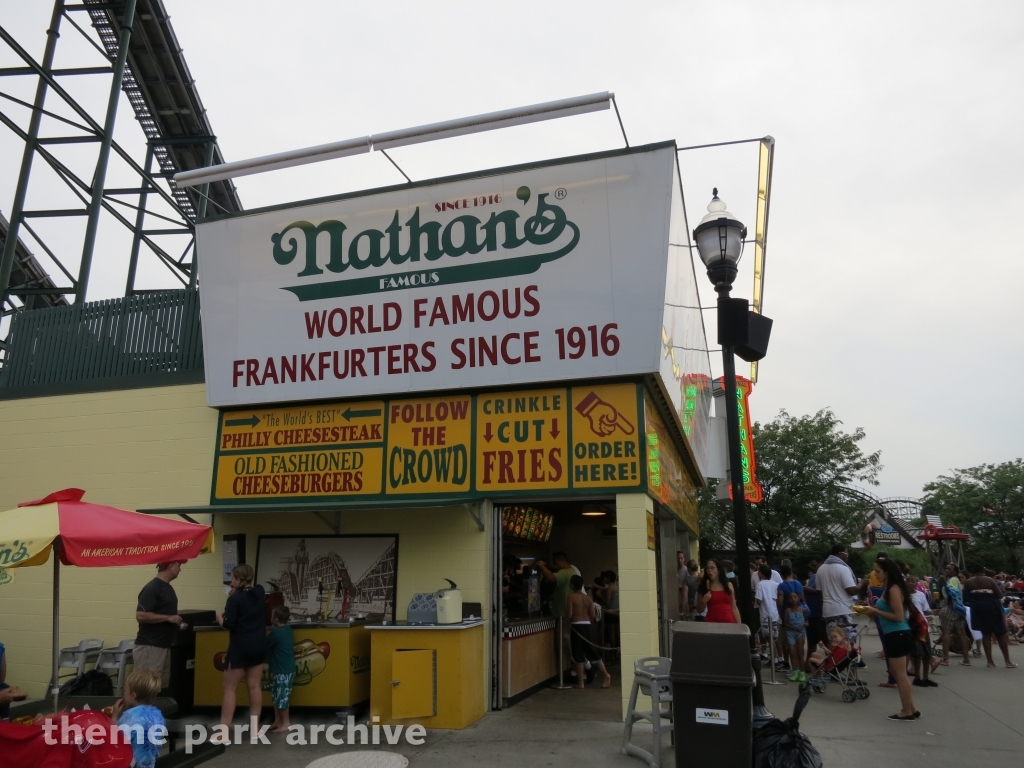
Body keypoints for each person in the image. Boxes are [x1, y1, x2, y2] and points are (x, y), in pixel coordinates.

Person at [863, 557, 918, 721]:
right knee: (896, 672)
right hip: (894, 633)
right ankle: (911, 708)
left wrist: (876, 612)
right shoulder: (890, 588)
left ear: (887, 571)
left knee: (900, 674)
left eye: (878, 571)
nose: (876, 574)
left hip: (897, 633)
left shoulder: (893, 589)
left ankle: (906, 711)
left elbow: (898, 616)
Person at [216, 563, 267, 732]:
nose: (231, 582)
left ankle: (223, 731)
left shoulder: (234, 599)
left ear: (238, 580)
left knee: (229, 689)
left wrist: (219, 618)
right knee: (254, 686)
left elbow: (229, 624)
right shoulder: (259, 592)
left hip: (240, 647)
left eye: (233, 578)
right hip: (258, 644)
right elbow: (251, 594)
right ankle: (255, 728)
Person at [134, 561, 188, 690]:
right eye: (178, 566)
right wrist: (169, 618)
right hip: (150, 646)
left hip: (163, 645)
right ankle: (139, 711)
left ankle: (153, 710)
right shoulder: (152, 588)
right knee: (145, 687)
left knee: (158, 687)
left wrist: (177, 622)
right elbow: (141, 615)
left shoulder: (167, 588)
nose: (180, 570)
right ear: (170, 566)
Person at [963, 569, 1017, 668]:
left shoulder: (968, 582)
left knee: (986, 634)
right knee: (1000, 634)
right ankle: (1008, 662)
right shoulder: (989, 580)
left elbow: (965, 599)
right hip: (993, 608)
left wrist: (976, 601)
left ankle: (990, 662)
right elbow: (1000, 594)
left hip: (978, 609)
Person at [113, 669, 165, 768]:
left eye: (125, 691)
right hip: (150, 763)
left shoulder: (131, 717)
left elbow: (114, 741)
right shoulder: (158, 715)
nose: (124, 694)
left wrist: (114, 717)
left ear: (133, 695)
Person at [566, 575, 611, 689]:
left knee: (578, 655)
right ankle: (606, 675)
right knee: (592, 652)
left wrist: (566, 616)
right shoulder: (588, 598)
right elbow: (593, 614)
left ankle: (581, 682)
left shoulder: (571, 597)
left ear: (572, 585)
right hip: (587, 626)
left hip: (576, 627)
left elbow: (570, 614)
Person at [816, 544, 861, 640]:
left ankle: (833, 655)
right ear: (841, 554)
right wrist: (863, 583)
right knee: (847, 640)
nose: (847, 556)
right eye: (846, 553)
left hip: (828, 611)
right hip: (842, 610)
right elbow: (852, 591)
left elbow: (819, 593)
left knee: (833, 640)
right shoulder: (843, 569)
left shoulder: (820, 569)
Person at [264, 605, 296, 732]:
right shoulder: (288, 630)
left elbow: (265, 643)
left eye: (272, 616)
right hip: (284, 668)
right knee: (277, 696)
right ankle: (278, 721)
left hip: (283, 670)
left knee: (282, 698)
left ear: (276, 619)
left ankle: (286, 723)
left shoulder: (276, 634)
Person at [906, 575, 937, 687]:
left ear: (916, 583)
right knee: (917, 653)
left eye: (912, 581)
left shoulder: (921, 595)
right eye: (907, 581)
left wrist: (932, 612)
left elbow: (925, 609)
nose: (910, 583)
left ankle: (926, 677)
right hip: (911, 626)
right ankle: (917, 677)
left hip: (922, 626)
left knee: (927, 653)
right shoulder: (902, 596)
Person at [939, 562, 972, 667]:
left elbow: (951, 594)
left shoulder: (951, 580)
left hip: (950, 608)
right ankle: (966, 659)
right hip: (959, 609)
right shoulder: (957, 581)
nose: (946, 571)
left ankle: (945, 659)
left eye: (949, 569)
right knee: (961, 633)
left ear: (955, 571)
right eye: (946, 568)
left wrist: (944, 584)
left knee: (946, 632)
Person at [696, 559, 740, 624]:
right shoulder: (704, 586)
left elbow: (734, 607)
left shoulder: (729, 585)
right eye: (707, 568)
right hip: (711, 624)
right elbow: (699, 610)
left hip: (729, 623)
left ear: (718, 570)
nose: (709, 570)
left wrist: (739, 625)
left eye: (712, 568)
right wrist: (704, 601)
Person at [776, 564, 804, 669]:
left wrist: (780, 613)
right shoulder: (798, 584)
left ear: (782, 574)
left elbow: (780, 603)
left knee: (785, 640)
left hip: (787, 615)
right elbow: (802, 597)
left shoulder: (781, 586)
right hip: (799, 615)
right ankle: (800, 667)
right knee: (799, 642)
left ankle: (787, 662)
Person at [755, 563, 783, 665]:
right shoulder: (775, 584)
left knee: (768, 638)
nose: (757, 573)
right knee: (775, 637)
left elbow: (759, 600)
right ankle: (780, 657)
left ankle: (774, 659)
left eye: (758, 571)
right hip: (775, 613)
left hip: (765, 614)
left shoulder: (760, 584)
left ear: (762, 573)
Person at [803, 557, 827, 664]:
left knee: (826, 640)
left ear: (821, 563)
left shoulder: (823, 576)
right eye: (811, 566)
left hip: (820, 613)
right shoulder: (813, 576)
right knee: (811, 641)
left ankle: (830, 665)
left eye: (815, 565)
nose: (813, 568)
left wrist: (808, 590)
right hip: (811, 613)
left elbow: (822, 592)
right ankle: (809, 663)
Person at [782, 591, 808, 682]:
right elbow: (785, 623)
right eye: (791, 598)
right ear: (788, 600)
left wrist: (804, 625)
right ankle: (795, 671)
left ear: (798, 598)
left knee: (800, 652)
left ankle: (802, 672)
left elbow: (807, 621)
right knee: (792, 652)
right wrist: (794, 628)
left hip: (800, 632)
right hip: (791, 633)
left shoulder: (803, 610)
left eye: (795, 597)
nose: (793, 599)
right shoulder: (787, 611)